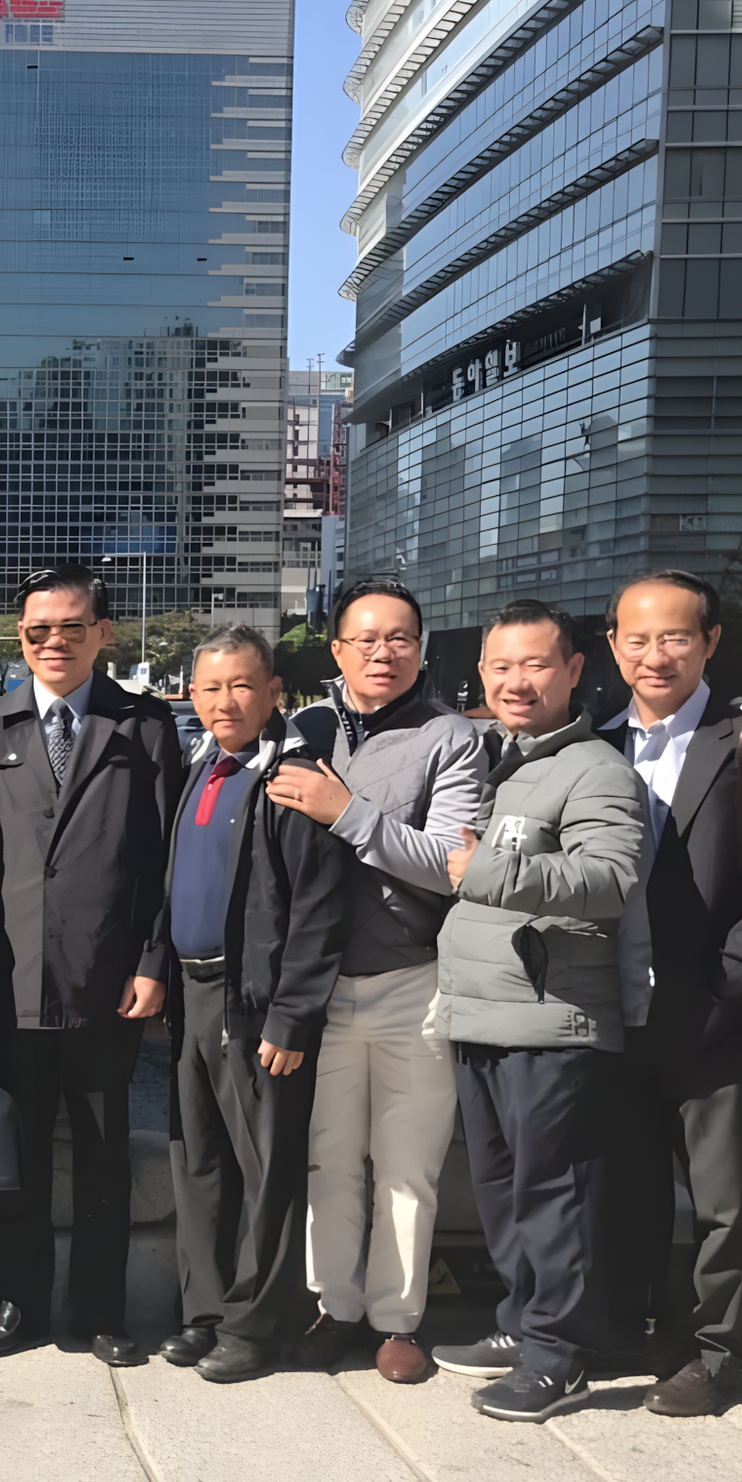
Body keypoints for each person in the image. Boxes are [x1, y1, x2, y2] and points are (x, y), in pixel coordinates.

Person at [597, 573, 742, 1417]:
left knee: (725, 1196)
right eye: (639, 639)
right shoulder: (592, 742)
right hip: (614, 1007)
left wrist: (727, 984)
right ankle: (643, 1327)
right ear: (614, 645)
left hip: (716, 1008)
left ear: (711, 642)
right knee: (629, 1183)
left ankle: (722, 1351)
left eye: (676, 638)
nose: (656, 655)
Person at [0, 563, 183, 1366]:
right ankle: (16, 1302)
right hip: (11, 982)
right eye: (37, 630)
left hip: (105, 981)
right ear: (20, 638)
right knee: (16, 1158)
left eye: (71, 627)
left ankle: (99, 1309)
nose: (54, 642)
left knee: (101, 1152)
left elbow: (166, 858)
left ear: (103, 634)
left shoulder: (146, 726)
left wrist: (153, 960)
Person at [430, 600, 645, 1421]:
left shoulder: (594, 768)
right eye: (501, 667)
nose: (516, 682)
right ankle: (522, 1322)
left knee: (553, 1192)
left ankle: (560, 1354)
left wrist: (484, 870)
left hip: (551, 1016)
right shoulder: (501, 757)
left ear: (573, 670)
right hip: (481, 1012)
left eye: (535, 665)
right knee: (501, 1188)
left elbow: (610, 881)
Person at [266, 581, 487, 1383]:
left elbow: (452, 866)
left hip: (413, 977)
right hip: (321, 986)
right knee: (328, 1157)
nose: (382, 652)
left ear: (421, 649)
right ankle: (337, 1305)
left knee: (408, 1161)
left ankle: (399, 1318)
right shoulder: (306, 727)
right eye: (365, 639)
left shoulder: (451, 737)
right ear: (337, 651)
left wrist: (346, 810)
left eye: (399, 638)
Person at [136, 626, 349, 1383]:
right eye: (210, 687)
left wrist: (293, 1015)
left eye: (241, 686)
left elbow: (319, 912)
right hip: (192, 992)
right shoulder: (202, 767)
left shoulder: (290, 780)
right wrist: (153, 965)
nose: (225, 701)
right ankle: (205, 1309)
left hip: (254, 1002)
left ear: (272, 694)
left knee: (266, 1169)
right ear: (192, 696)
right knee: (196, 1158)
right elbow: (173, 886)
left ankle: (257, 1323)